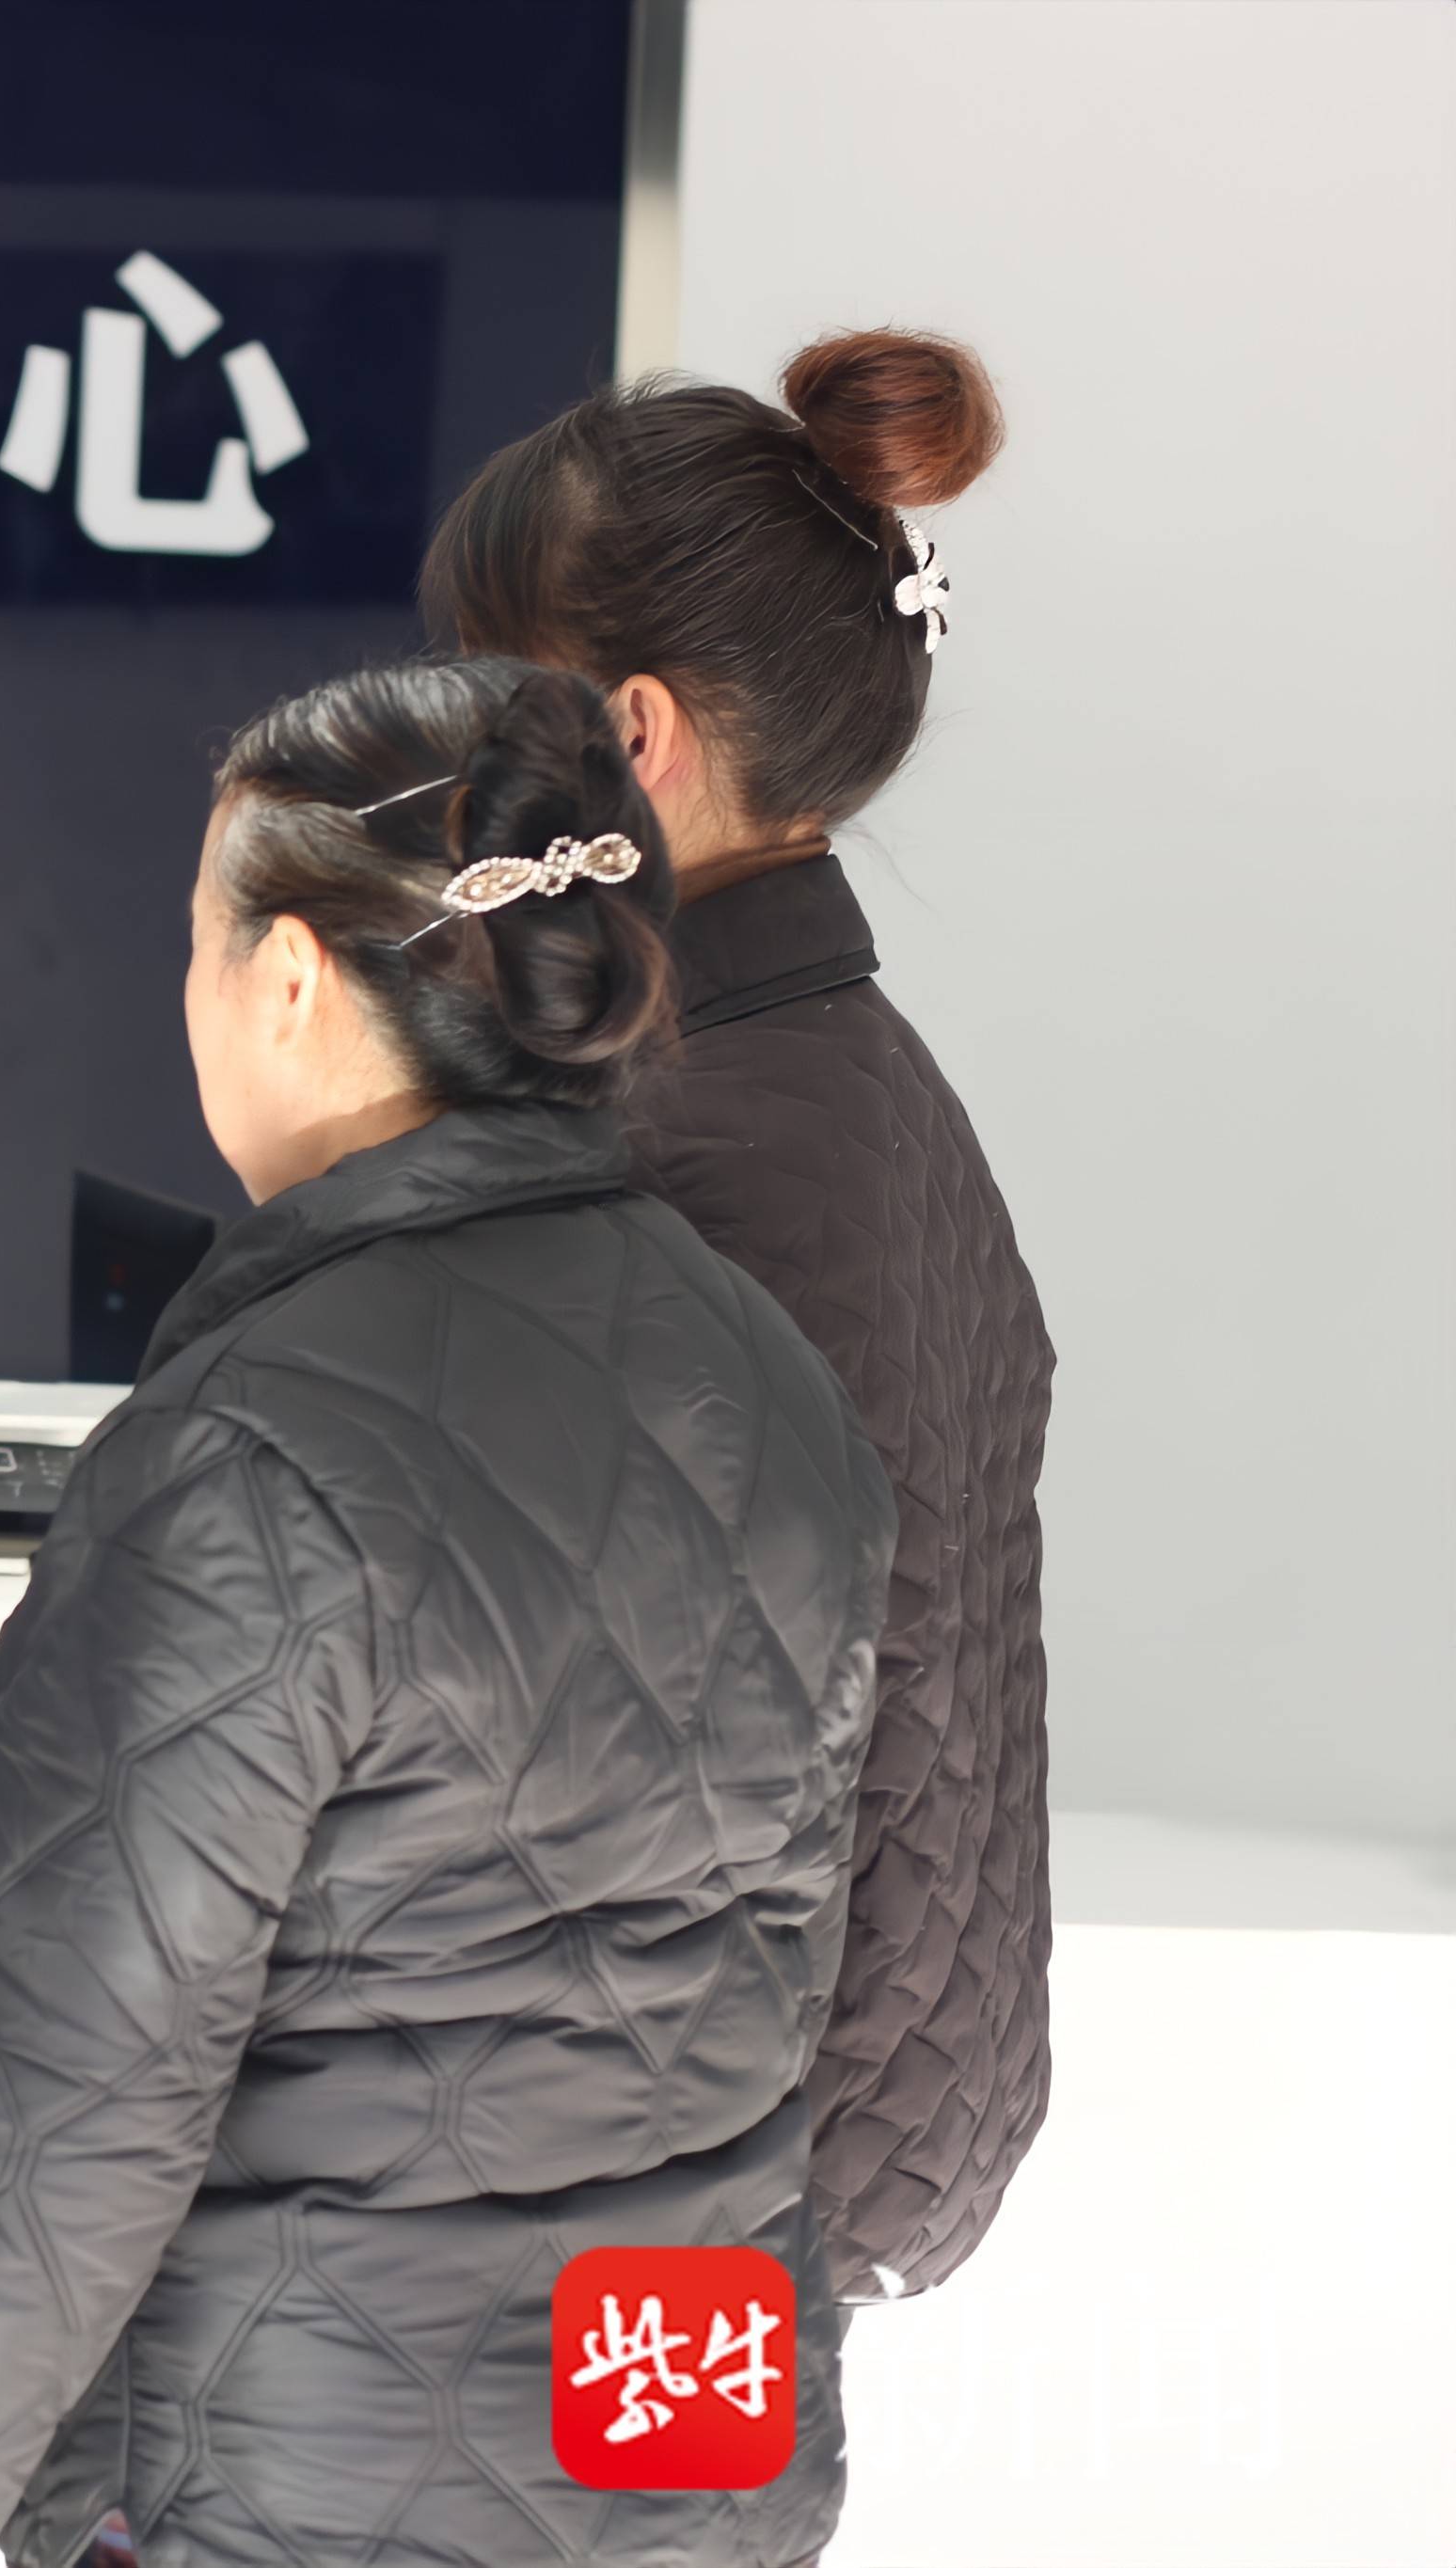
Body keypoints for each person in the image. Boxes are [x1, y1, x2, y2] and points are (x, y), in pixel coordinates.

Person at [0, 660, 894, 2568]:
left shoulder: (246, 1452)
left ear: (285, 977)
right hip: (694, 2473)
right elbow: (759, 2007)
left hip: (303, 2497)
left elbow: (43, 2143)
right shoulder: (769, 1375)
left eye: (198, 941)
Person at [422, 328, 1052, 2307]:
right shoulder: (834, 1088)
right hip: (775, 2145)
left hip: (669, 2179)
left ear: (631, 731)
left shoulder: (710, 1146)